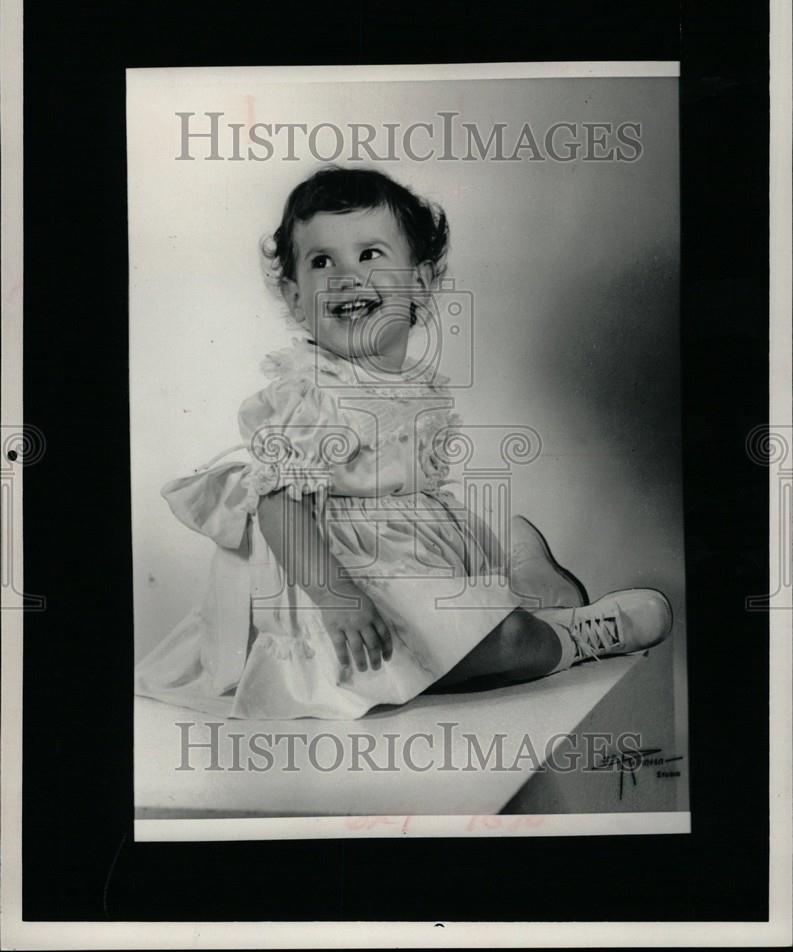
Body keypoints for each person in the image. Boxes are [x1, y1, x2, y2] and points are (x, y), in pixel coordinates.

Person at [135, 166, 672, 719]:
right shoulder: (307, 394)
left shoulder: (410, 385)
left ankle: (527, 587)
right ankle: (573, 631)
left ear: (420, 281)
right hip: (335, 576)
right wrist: (337, 599)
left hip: (409, 562)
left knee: (465, 635)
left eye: (370, 254)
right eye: (323, 262)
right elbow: (276, 504)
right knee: (485, 647)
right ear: (296, 299)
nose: (347, 276)